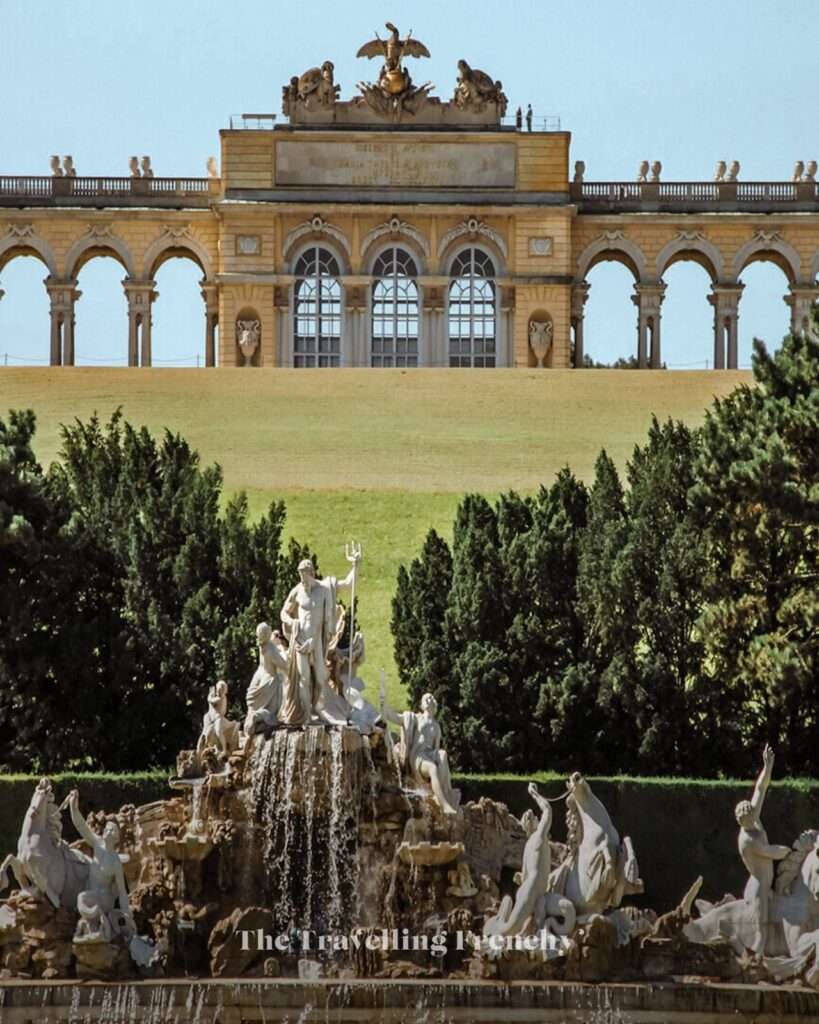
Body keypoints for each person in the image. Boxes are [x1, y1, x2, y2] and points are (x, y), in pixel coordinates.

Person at [279, 555, 359, 726]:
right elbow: (283, 612)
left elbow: (348, 584)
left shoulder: (324, 589)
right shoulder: (298, 590)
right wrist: (292, 622)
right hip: (300, 641)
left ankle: (321, 708)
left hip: (316, 642)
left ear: (311, 574)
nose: (303, 581)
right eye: (300, 577)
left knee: (321, 677)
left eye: (305, 577)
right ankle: (307, 716)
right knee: (304, 678)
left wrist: (355, 565)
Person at [735, 745, 791, 956]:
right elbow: (770, 852)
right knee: (762, 932)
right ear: (742, 821)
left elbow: (760, 789)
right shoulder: (746, 840)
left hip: (768, 882)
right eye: (749, 819)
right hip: (759, 886)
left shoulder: (753, 818)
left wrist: (768, 767)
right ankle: (755, 962)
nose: (753, 819)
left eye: (752, 816)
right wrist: (786, 851)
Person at [68, 790, 134, 943]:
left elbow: (122, 892)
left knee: (81, 898)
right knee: (81, 897)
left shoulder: (115, 862)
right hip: (91, 891)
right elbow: (81, 826)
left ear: (117, 838)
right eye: (107, 828)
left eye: (112, 830)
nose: (108, 830)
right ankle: (96, 926)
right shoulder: (97, 844)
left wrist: (127, 913)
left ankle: (98, 923)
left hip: (105, 898)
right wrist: (73, 806)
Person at [385, 692, 460, 815]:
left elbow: (436, 747)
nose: (429, 699)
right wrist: (384, 704)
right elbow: (393, 717)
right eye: (426, 698)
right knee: (432, 768)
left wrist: (439, 755)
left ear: (434, 704)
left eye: (431, 697)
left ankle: (443, 792)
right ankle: (444, 804)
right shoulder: (415, 718)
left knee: (443, 754)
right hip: (418, 755)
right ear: (421, 704)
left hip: (430, 754)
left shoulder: (436, 726)